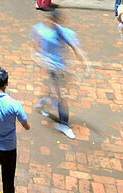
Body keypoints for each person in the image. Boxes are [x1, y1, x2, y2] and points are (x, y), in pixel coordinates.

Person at [31, 9, 90, 139]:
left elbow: (75, 47)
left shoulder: (65, 32)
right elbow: (36, 45)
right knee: (60, 95)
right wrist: (38, 56)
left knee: (55, 90)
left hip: (60, 67)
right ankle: (64, 124)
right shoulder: (40, 29)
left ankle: (42, 102)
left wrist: (84, 61)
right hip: (51, 67)